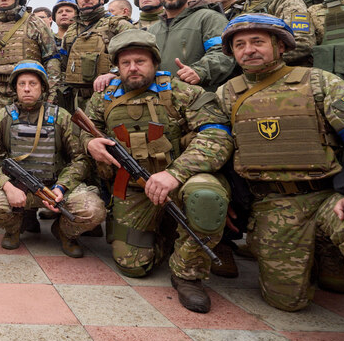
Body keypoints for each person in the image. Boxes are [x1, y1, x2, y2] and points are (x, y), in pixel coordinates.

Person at [217, 14, 344, 341]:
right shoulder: (225, 94)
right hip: (273, 204)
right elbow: (215, 148)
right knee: (287, 301)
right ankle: (321, 256)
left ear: (280, 46)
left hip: (329, 196)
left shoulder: (320, 83)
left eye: (258, 42)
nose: (249, 50)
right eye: (240, 45)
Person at [80, 29, 233, 313]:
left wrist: (175, 174)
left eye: (140, 61)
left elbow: (217, 135)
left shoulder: (181, 91)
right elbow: (85, 128)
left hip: (181, 182)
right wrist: (90, 142)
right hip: (135, 186)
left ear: (154, 63)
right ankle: (166, 234)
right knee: (133, 266)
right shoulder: (104, 96)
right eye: (125, 63)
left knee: (206, 197)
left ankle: (188, 275)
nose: (133, 68)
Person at [0, 60, 106, 256]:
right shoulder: (2, 117)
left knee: (94, 210)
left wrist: (62, 186)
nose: (27, 89)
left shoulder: (60, 116)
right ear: (15, 88)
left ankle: (63, 232)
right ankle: (14, 228)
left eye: (33, 84)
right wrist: (7, 186)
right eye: (22, 84)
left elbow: (81, 158)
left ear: (43, 87)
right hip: (18, 190)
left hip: (53, 189)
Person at [147, 0, 234, 91]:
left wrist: (200, 71)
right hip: (159, 103)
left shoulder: (208, 18)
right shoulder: (151, 30)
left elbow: (222, 52)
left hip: (196, 102)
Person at [58, 0, 130, 113]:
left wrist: (114, 73)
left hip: (112, 97)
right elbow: (63, 65)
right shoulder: (71, 32)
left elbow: (138, 59)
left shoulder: (118, 25)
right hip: (77, 100)